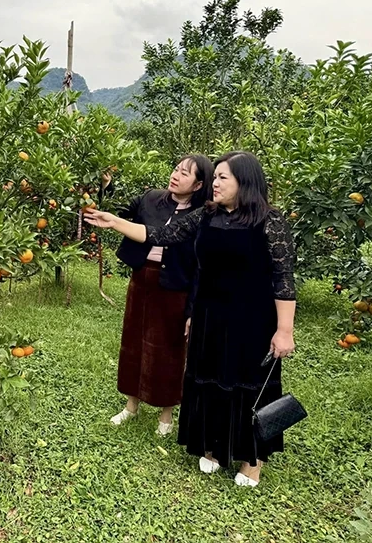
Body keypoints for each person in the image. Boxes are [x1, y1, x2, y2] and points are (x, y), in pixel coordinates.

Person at [85, 151, 296, 487]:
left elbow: (283, 277)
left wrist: (284, 330)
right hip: (210, 312)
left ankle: (251, 460)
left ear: (246, 181)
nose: (215, 184)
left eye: (223, 178)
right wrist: (115, 222)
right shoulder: (207, 215)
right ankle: (212, 447)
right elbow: (161, 236)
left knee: (247, 385)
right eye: (215, 178)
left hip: (251, 318)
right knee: (208, 378)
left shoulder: (268, 221)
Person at [107, 155, 213, 436]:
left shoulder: (204, 215)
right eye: (176, 169)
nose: (176, 175)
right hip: (143, 281)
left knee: (170, 350)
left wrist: (191, 309)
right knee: (133, 342)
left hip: (176, 287)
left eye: (185, 173)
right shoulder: (151, 199)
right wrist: (106, 187)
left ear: (199, 184)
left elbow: (202, 267)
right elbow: (118, 211)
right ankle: (131, 405)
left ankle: (166, 414)